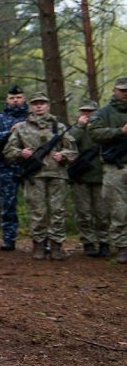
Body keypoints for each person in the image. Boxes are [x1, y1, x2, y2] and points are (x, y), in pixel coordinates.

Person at [3, 93, 77, 261]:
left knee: (58, 210)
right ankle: (39, 244)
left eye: (42, 103)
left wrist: (63, 155)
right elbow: (8, 151)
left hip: (57, 174)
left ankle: (57, 245)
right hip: (34, 176)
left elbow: (73, 150)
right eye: (35, 103)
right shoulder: (22, 128)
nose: (39, 106)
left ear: (48, 105)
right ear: (31, 106)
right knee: (37, 211)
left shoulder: (59, 127)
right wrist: (21, 153)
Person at [87, 77, 127, 264]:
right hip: (114, 167)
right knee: (118, 209)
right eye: (122, 90)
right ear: (114, 91)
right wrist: (120, 132)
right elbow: (94, 133)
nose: (126, 93)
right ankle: (122, 247)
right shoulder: (103, 112)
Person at [0, 85, 29, 251]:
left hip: (30, 167)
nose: (15, 101)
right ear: (7, 100)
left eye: (18, 98)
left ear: (24, 99)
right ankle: (9, 239)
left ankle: (40, 239)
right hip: (6, 166)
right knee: (8, 204)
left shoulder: (31, 117)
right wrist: (9, 131)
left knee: (36, 204)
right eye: (12, 98)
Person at [69, 100, 108, 257]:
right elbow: (69, 142)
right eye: (84, 111)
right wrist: (80, 126)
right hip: (81, 177)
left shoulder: (102, 128)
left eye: (90, 111)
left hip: (100, 175)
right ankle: (88, 242)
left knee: (103, 213)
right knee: (83, 212)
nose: (87, 114)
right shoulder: (75, 129)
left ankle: (104, 242)